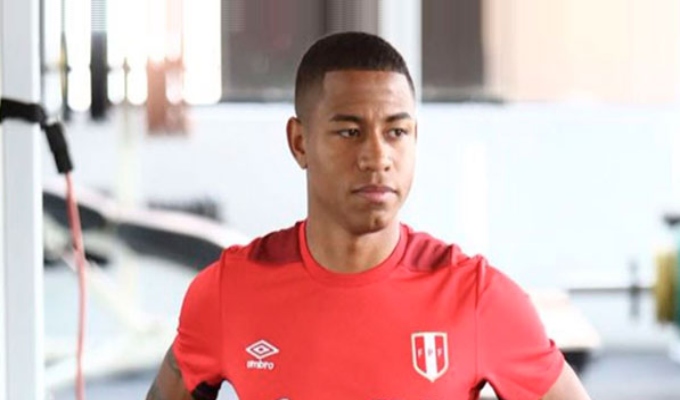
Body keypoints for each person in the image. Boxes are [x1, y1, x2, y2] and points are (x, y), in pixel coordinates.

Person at [146, 31, 591, 400]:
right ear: (299, 143)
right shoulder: (228, 292)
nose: (377, 157)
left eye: (396, 131)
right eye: (349, 131)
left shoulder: (476, 296)